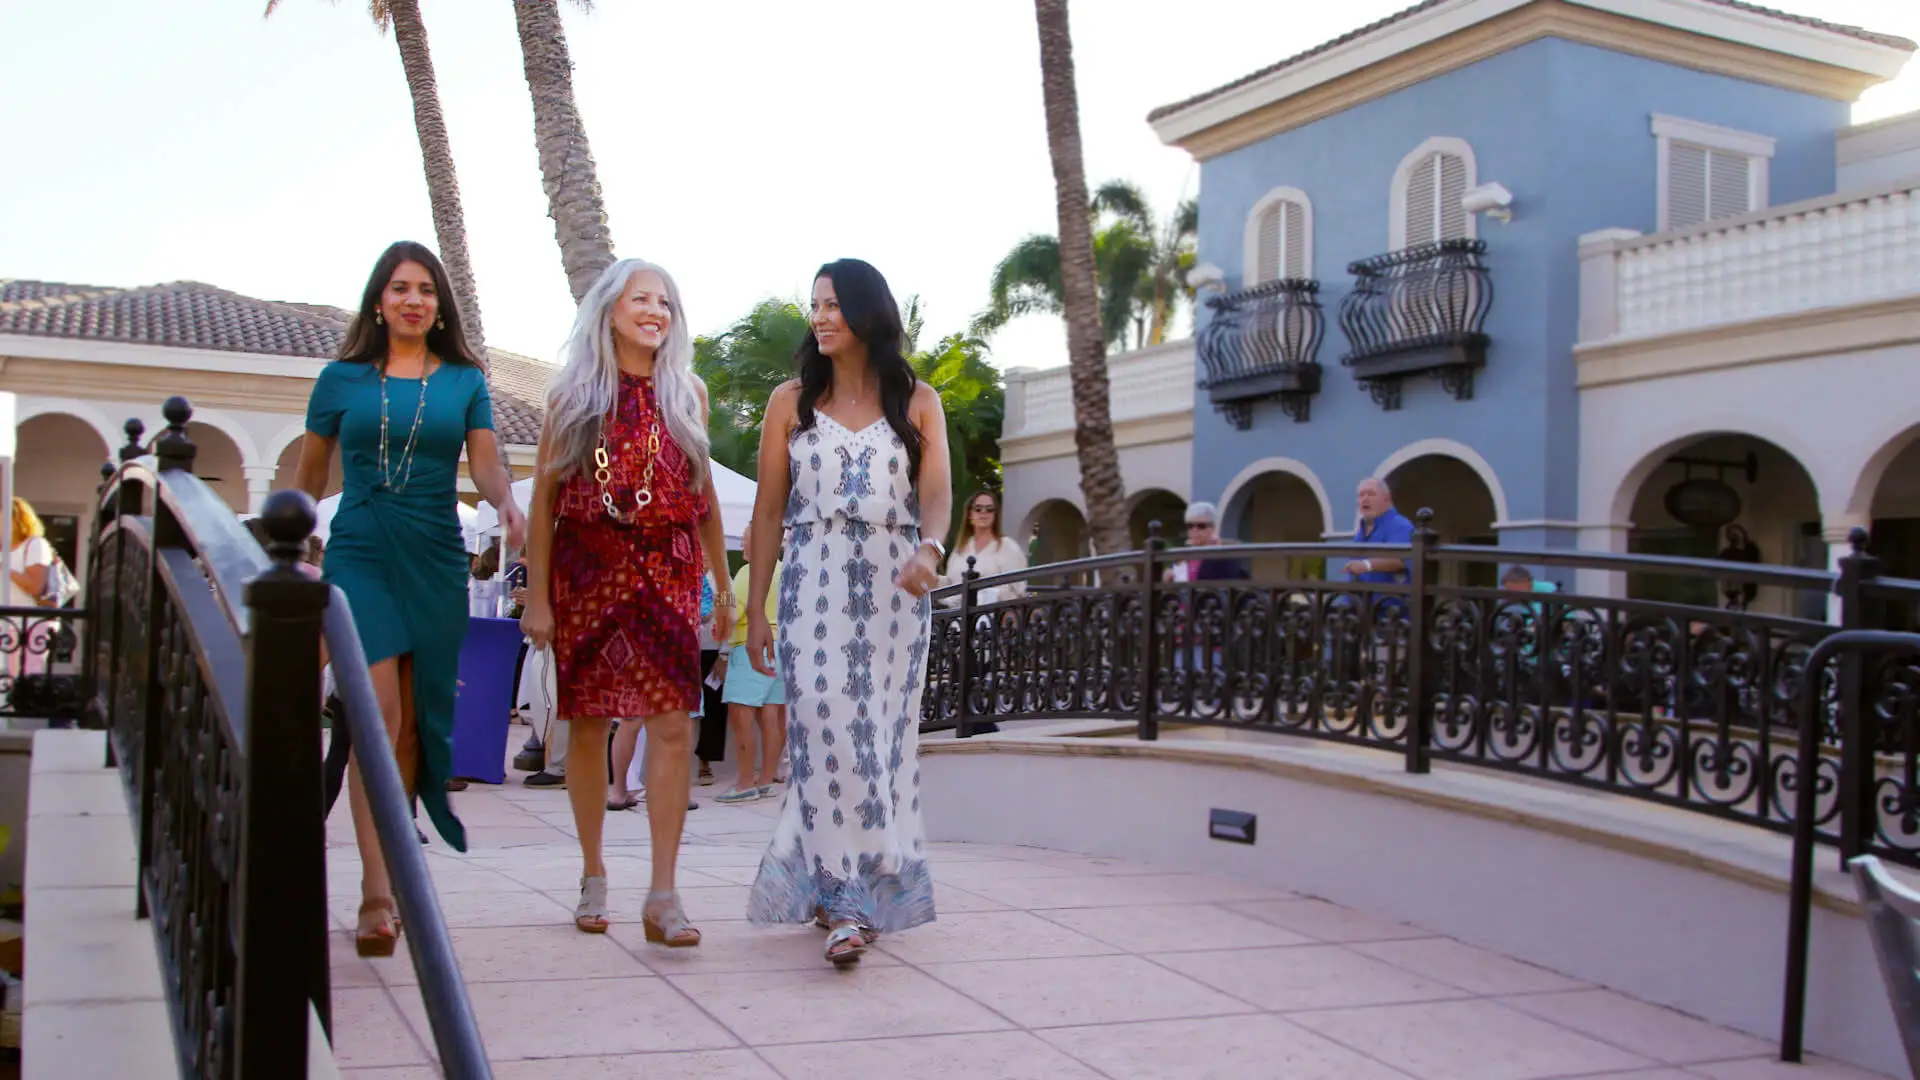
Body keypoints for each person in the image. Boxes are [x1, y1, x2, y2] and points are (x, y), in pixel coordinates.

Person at [296, 240, 527, 957]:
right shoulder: (340, 380)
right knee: (377, 713)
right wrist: (284, 549)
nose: (413, 300)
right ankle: (374, 891)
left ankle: (390, 876)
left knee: (407, 731)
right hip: (361, 549)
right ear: (378, 301)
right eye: (400, 287)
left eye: (426, 289)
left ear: (440, 306)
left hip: (433, 556)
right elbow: (308, 475)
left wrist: (505, 501)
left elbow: (484, 460)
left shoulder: (464, 381)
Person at [743, 259, 950, 966]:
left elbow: (937, 494)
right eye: (815, 305)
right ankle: (849, 898)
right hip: (812, 577)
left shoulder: (917, 400)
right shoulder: (790, 402)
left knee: (877, 744)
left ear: (867, 311)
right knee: (825, 722)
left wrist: (930, 548)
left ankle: (840, 889)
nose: (820, 317)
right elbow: (766, 513)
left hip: (896, 590)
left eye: (833, 304)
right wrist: (755, 610)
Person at [519, 258, 733, 942]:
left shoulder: (688, 393)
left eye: (665, 302)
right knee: (589, 723)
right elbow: (544, 501)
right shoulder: (573, 397)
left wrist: (724, 585)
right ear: (610, 311)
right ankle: (593, 872)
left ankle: (663, 894)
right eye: (642, 299)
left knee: (672, 723)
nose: (655, 311)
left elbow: (703, 498)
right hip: (587, 569)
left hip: (669, 569)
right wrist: (537, 599)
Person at [713, 520, 786, 804]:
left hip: (749, 647)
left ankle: (744, 783)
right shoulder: (784, 570)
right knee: (771, 716)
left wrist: (720, 599)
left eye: (746, 539)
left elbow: (733, 611)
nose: (742, 544)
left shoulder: (749, 572)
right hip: (779, 648)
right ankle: (765, 780)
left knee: (741, 716)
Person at [938, 489, 1027, 603]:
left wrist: (990, 595)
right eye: (978, 509)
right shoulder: (961, 547)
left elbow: (1018, 590)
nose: (983, 513)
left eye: (989, 509)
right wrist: (934, 580)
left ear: (995, 515)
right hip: (957, 612)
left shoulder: (1007, 547)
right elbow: (950, 583)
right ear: (970, 514)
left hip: (993, 611)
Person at [1164, 501, 1249, 583]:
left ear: (1213, 527)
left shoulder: (1224, 554)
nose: (1195, 530)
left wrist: (1216, 554)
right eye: (1190, 526)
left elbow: (1231, 578)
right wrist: (1168, 575)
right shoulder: (1183, 554)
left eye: (1201, 526)